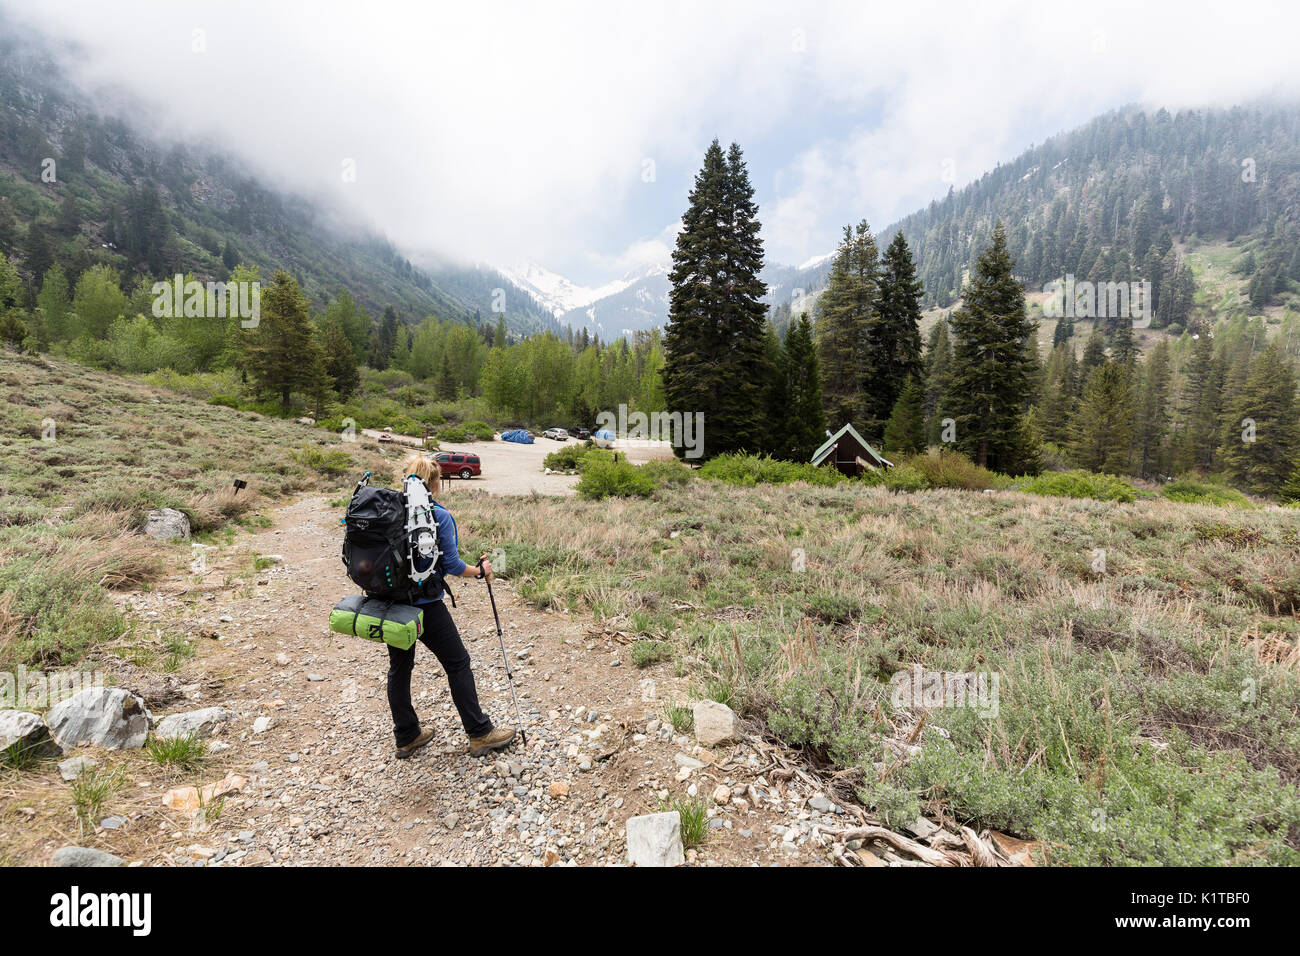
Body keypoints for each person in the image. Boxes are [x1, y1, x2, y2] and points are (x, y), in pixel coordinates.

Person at [386, 451, 515, 760]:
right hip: (427, 605)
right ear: (434, 483)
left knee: (400, 668)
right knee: (457, 663)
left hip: (391, 602)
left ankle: (407, 736)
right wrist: (480, 571)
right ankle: (480, 733)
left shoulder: (389, 509)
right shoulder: (438, 515)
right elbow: (453, 565)